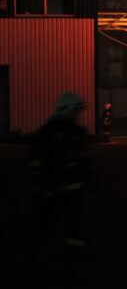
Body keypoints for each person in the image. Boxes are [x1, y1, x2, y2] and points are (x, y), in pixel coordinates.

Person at [27, 92, 92, 259]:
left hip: (69, 187)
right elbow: (35, 158)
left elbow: (84, 156)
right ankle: (45, 254)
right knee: (49, 221)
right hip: (53, 187)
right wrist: (40, 181)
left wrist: (91, 174)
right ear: (69, 110)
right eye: (76, 111)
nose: (77, 115)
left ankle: (72, 254)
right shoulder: (49, 132)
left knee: (72, 222)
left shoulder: (74, 131)